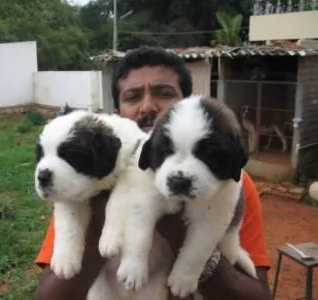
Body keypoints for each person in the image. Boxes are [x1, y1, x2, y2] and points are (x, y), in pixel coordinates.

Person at [34, 46, 272, 300]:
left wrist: (181, 234)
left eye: (164, 93)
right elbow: (50, 293)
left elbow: (257, 294)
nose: (147, 107)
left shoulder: (231, 183)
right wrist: (98, 222)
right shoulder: (87, 180)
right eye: (133, 97)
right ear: (117, 113)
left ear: (186, 105)